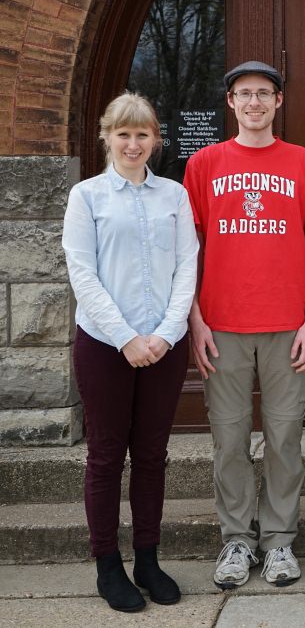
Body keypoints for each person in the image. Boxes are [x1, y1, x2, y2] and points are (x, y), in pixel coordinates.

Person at [183, 60, 305, 589]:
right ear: (231, 103)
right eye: (244, 94)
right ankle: (237, 542)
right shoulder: (203, 164)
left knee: (285, 437)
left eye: (264, 93)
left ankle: (280, 543)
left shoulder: (304, 163)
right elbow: (187, 252)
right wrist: (195, 320)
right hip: (221, 326)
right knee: (229, 439)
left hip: (289, 325)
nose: (254, 103)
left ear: (279, 102)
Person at [62, 92, 199, 612]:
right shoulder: (88, 197)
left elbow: (187, 266)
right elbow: (83, 275)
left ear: (155, 140)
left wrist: (164, 334)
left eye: (143, 134)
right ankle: (107, 564)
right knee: (104, 456)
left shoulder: (174, 196)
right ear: (108, 137)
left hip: (164, 344)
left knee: (151, 457)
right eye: (124, 134)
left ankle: (147, 557)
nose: (134, 143)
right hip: (104, 345)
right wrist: (126, 338)